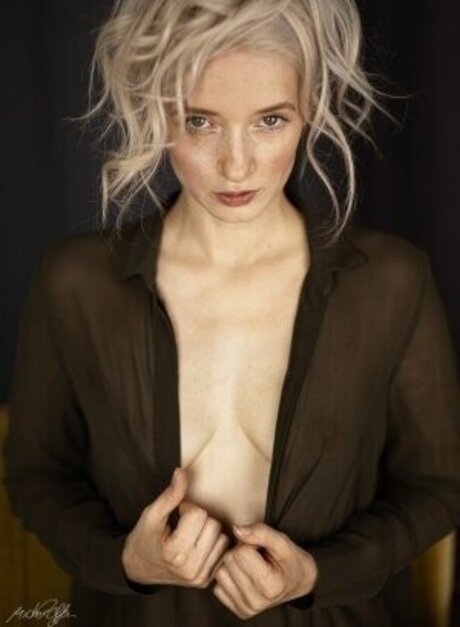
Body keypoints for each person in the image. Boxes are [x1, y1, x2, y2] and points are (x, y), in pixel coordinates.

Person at [4, 0, 460, 626]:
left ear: (309, 107)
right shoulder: (75, 283)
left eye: (270, 120)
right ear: (154, 109)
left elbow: (439, 485)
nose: (237, 164)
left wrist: (317, 574)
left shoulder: (390, 282)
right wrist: (125, 561)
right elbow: (36, 476)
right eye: (201, 122)